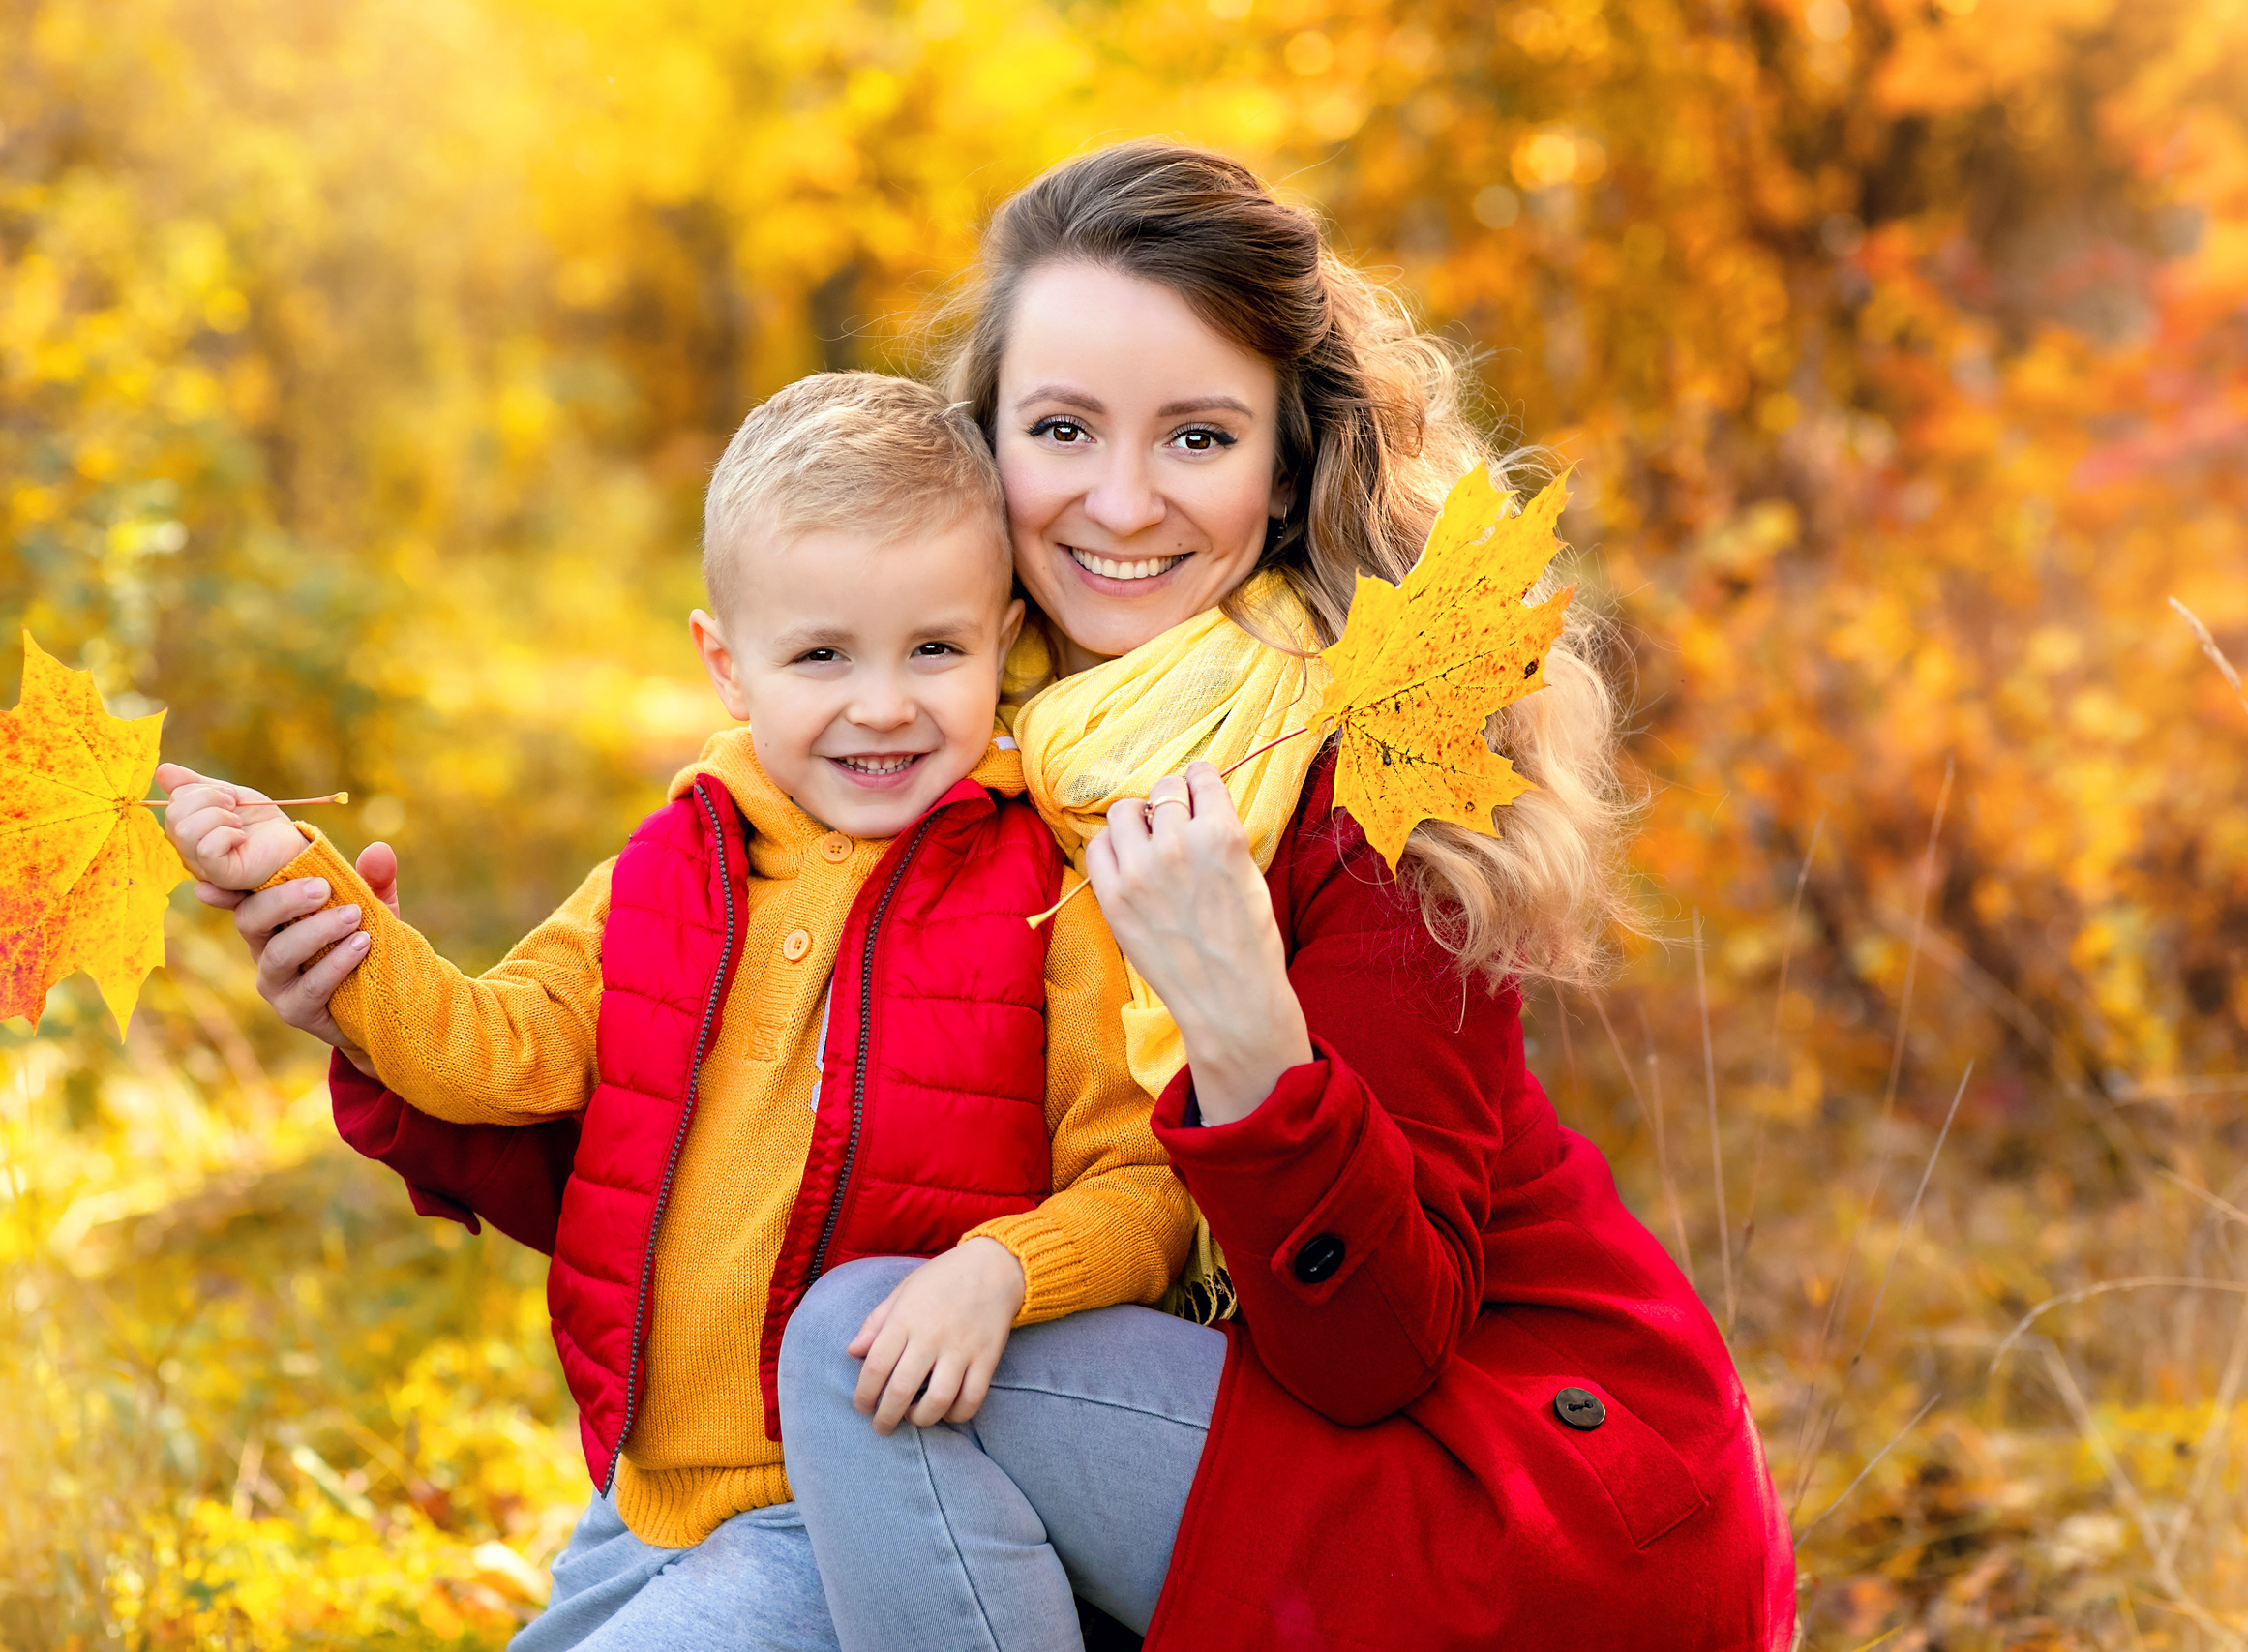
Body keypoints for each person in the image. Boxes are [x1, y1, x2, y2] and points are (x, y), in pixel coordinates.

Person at [770, 142, 1797, 1651]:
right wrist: (385, 1028)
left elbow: (1381, 1349)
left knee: (858, 1347)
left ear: (1287, 464)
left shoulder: (1370, 773)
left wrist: (1248, 1026)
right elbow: (716, 1122)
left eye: (1197, 437)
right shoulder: (946, 733)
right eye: (1062, 428)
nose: (1121, 502)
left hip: (1506, 1496)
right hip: (1198, 1418)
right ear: (981, 445)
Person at [160, 371, 1194, 1651]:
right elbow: (497, 1053)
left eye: (935, 648)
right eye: (822, 655)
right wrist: (322, 903)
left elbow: (1144, 1181)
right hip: (638, 1496)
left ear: (1005, 638)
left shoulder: (1048, 890)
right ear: (727, 664)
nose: (882, 703)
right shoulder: (664, 874)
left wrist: (1002, 1272)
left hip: (848, 1501)